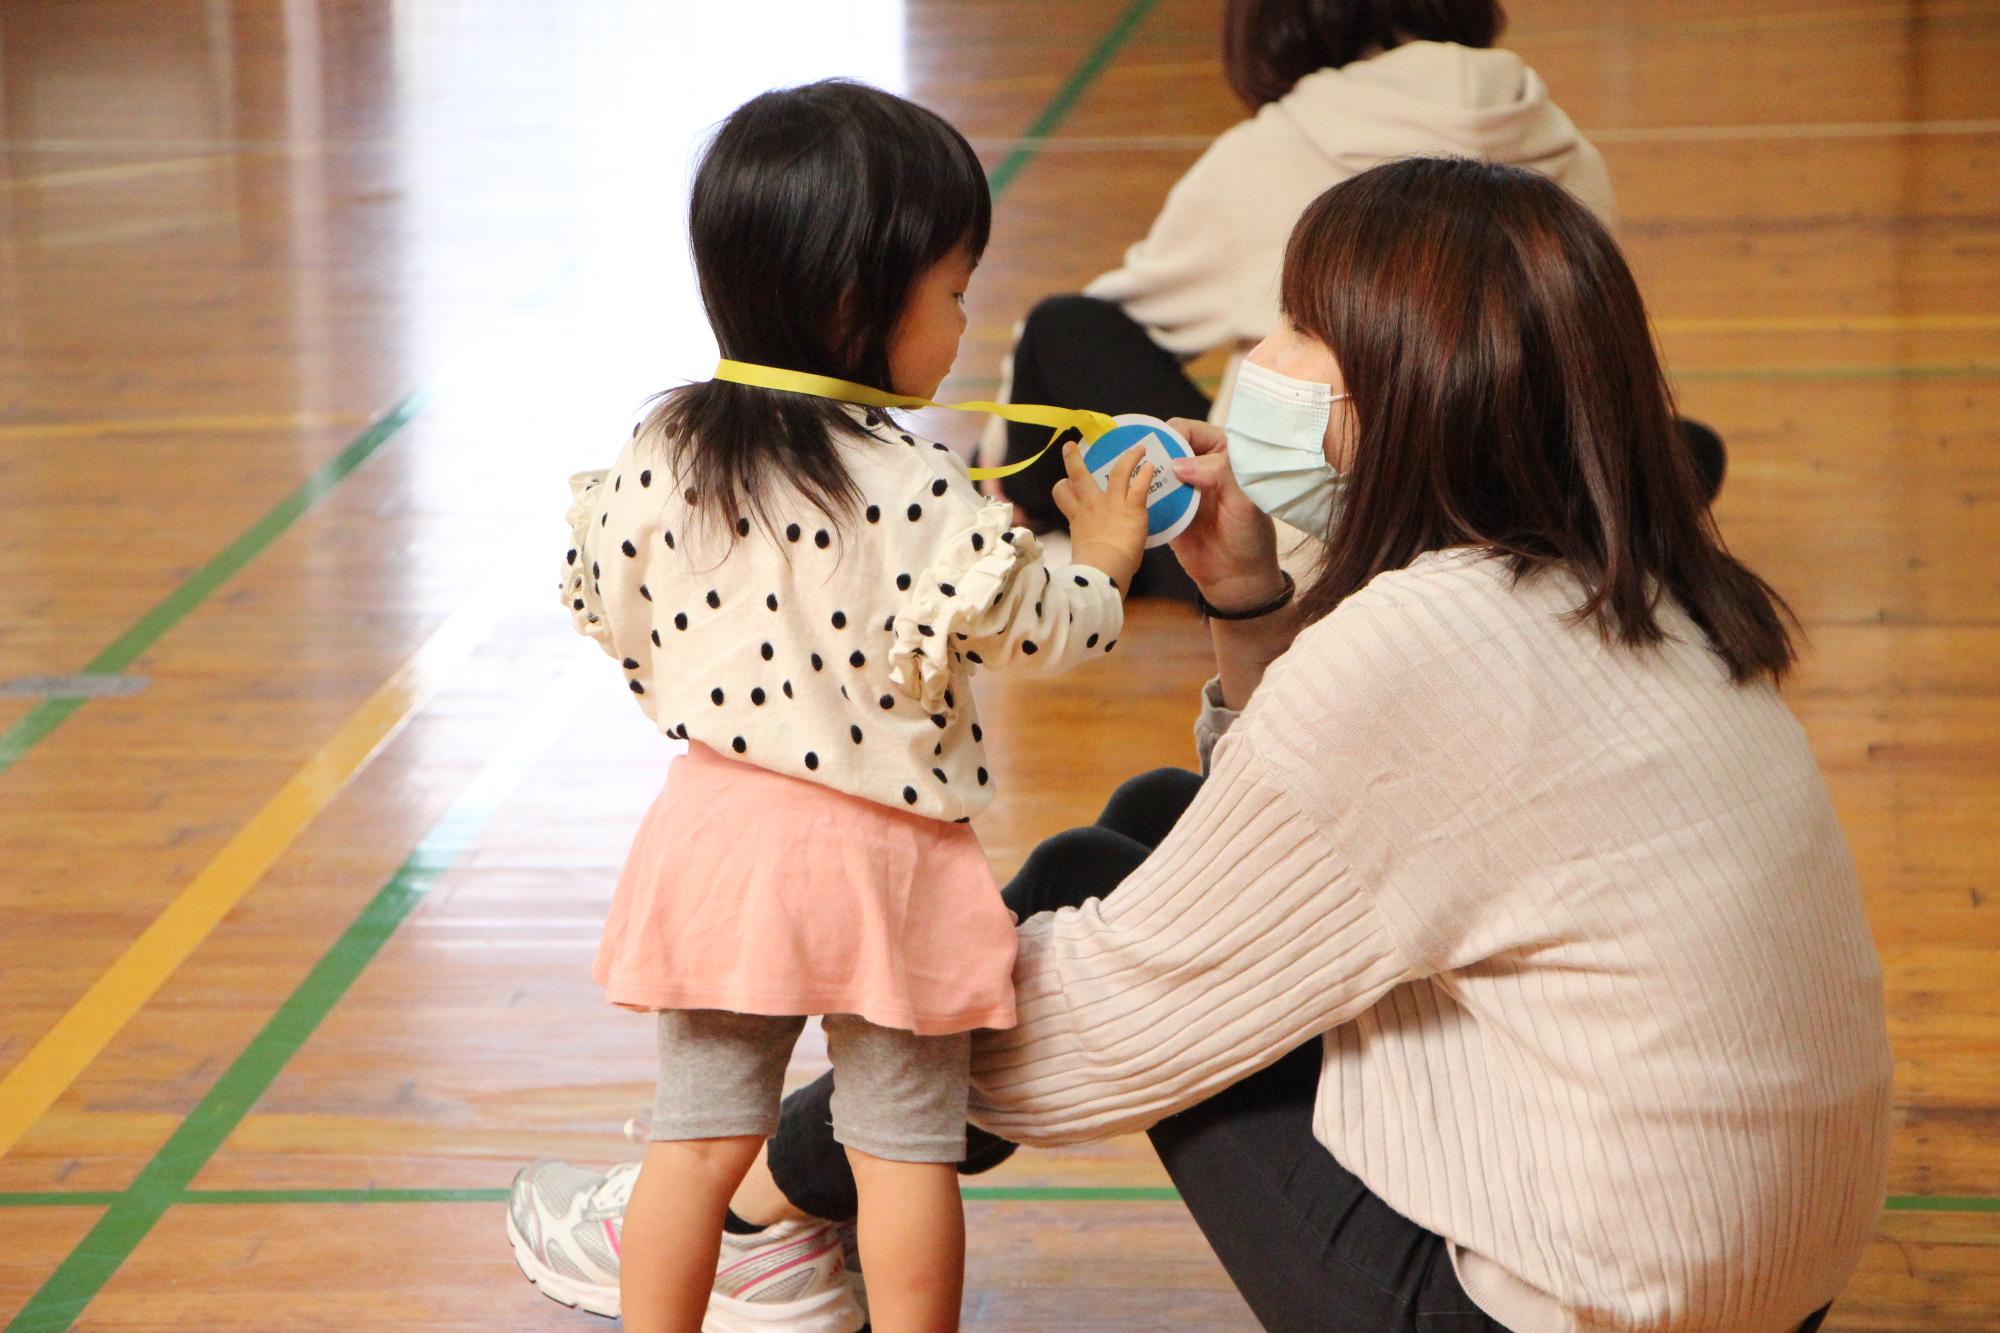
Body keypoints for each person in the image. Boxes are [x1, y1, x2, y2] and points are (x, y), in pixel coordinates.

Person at [516, 157, 1891, 1332]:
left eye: (1298, 330)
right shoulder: (1640, 588)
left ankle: (755, 1205)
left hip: (1539, 1306)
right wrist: (1244, 601)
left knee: (1052, 938)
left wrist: (861, 980)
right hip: (1766, 1277)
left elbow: (1105, 1037)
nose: (1258, 363)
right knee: (1146, 821)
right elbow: (1295, 824)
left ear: (1405, 393)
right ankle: (780, 1197)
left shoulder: (1422, 649)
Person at [546, 80, 1154, 1333]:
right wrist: (1105, 555)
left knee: (693, 1144)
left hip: (719, 842)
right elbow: (1046, 626)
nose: (963, 313)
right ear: (852, 303)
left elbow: (598, 596)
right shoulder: (916, 481)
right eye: (952, 289)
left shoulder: (665, 442)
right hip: (887, 859)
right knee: (901, 1152)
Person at [983, 0, 1722, 599]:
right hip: (1506, 501)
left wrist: (1005, 480)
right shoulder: (1563, 143)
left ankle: (1056, 525)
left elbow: (1119, 321)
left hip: (1310, 535)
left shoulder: (1270, 149)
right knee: (1663, 438)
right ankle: (1618, 507)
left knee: (1061, 329)